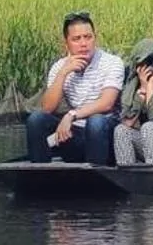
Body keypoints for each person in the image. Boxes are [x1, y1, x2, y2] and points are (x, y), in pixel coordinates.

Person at [25, 11, 126, 163]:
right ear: (66, 43)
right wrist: (63, 73)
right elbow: (47, 108)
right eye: (76, 39)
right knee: (36, 120)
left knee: (96, 122)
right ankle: (39, 176)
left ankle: (95, 179)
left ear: (95, 38)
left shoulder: (112, 63)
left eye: (88, 37)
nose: (83, 44)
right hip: (75, 133)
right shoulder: (59, 67)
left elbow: (107, 103)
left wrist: (71, 115)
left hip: (105, 131)